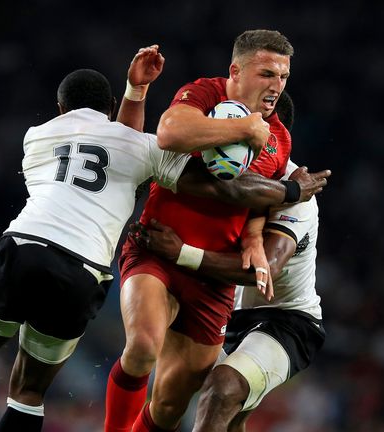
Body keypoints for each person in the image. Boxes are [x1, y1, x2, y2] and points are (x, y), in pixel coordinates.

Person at [0, 44, 325, 431]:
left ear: (61, 108)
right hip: (87, 272)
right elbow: (198, 176)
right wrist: (285, 187)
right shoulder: (150, 144)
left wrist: (139, 91)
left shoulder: (35, 137)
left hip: (27, 247)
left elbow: (119, 148)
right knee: (30, 392)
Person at [104, 29, 298, 432]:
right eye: (266, 73)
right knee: (141, 347)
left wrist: (252, 238)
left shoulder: (279, 137)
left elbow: (261, 200)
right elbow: (170, 134)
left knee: (168, 407)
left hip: (211, 282)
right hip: (156, 248)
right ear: (236, 71)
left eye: (282, 77)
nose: (275, 85)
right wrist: (244, 128)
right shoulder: (205, 94)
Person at [134, 92, 328, 432]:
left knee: (222, 389)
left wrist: (181, 253)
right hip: (223, 309)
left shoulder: (298, 195)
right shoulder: (216, 174)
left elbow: (263, 271)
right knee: (176, 402)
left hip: (285, 321)